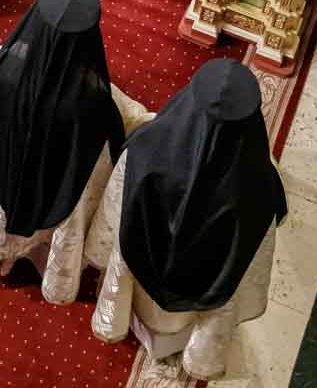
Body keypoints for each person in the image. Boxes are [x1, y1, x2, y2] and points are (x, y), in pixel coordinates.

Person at [0, 0, 152, 301]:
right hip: (55, 193)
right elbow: (130, 129)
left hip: (4, 174)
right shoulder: (101, 104)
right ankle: (36, 254)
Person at [85, 59, 288, 379]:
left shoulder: (146, 149)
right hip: (198, 301)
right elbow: (252, 258)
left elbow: (116, 212)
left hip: (143, 281)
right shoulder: (260, 186)